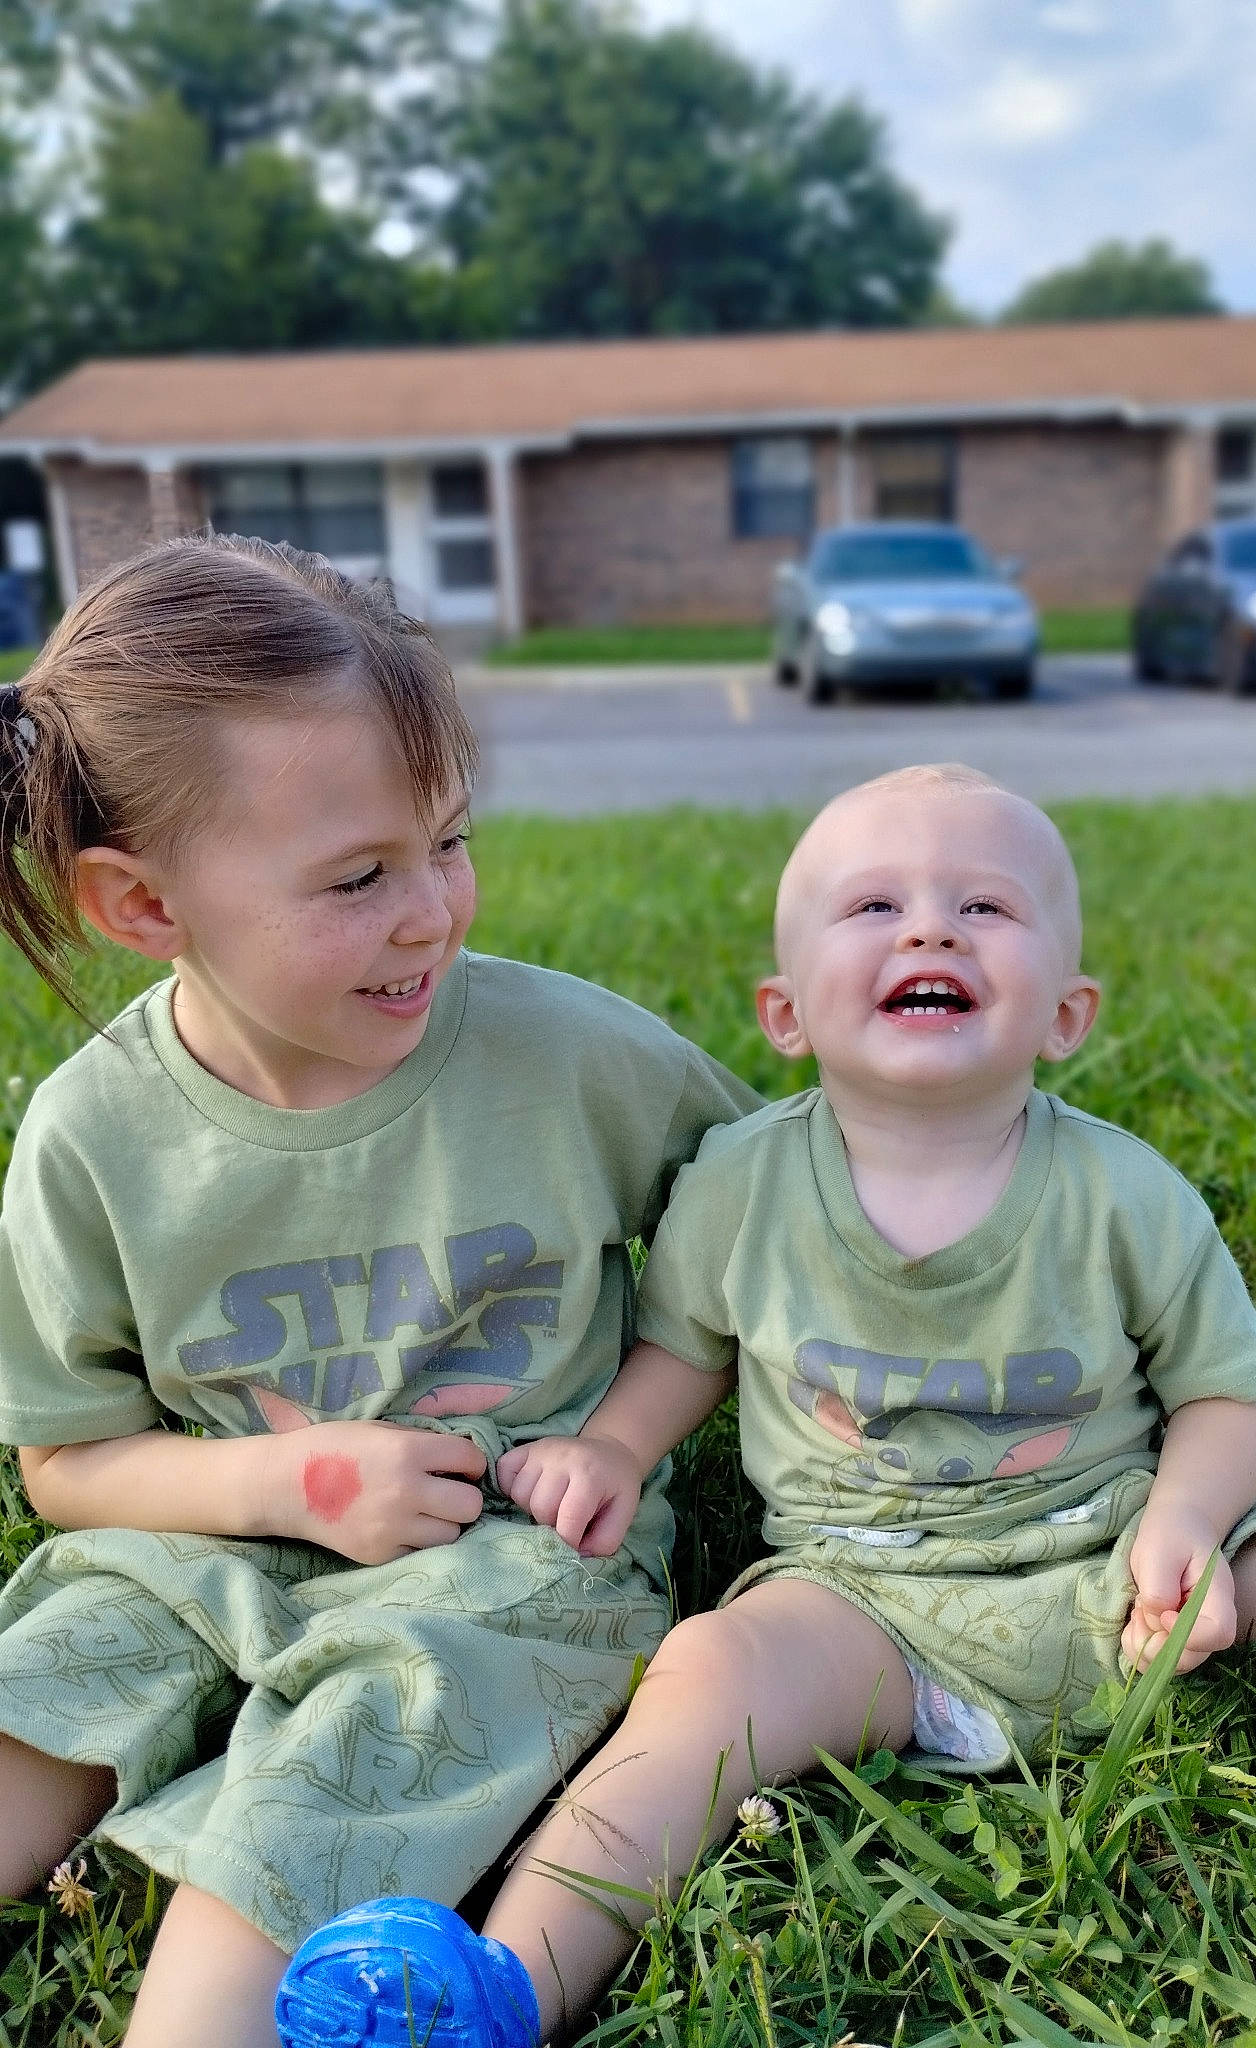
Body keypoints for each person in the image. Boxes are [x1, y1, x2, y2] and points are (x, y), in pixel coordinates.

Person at [301, 761, 1256, 2047]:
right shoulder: (741, 1184)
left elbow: (1232, 1390)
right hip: (863, 1599)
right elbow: (686, 1346)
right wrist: (613, 1442)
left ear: (1069, 1012)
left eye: (984, 907)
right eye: (874, 905)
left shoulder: (1124, 1194)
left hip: (1127, 1564)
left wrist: (1188, 1514)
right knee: (709, 1670)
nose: (931, 928)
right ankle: (510, 1980)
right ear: (784, 1011)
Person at [0, 533, 760, 2048]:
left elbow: (756, 1244)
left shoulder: (573, 1059)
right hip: (205, 1540)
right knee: (50, 1674)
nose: (434, 913)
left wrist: (613, 1443)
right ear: (142, 908)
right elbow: (66, 1467)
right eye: (358, 877)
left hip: (509, 1560)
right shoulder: (93, 1134)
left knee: (359, 1743)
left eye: (449, 842)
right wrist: (288, 1482)